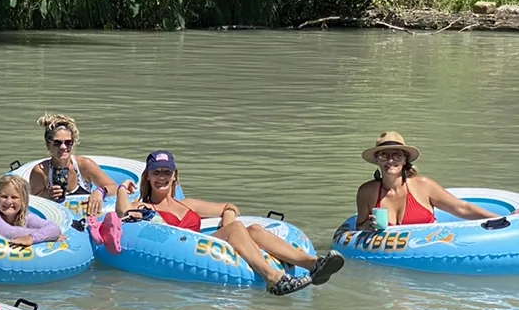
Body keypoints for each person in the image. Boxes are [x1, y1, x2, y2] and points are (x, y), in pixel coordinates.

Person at [112, 150, 345, 296]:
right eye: (156, 173)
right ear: (148, 177)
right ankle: (273, 279)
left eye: (166, 172)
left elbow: (229, 207)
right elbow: (122, 211)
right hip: (185, 247)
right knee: (236, 229)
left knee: (252, 228)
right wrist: (123, 187)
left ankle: (313, 263)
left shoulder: (188, 204)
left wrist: (230, 223)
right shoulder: (145, 207)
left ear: (174, 176)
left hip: (206, 241)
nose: (161, 177)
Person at [355, 131, 496, 229]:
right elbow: (359, 227)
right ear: (377, 160)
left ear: (405, 160)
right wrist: (368, 226)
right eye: (384, 155)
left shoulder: (423, 186)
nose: (390, 160)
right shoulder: (367, 192)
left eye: (397, 155)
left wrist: (501, 219)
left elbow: (461, 208)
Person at [28, 113, 117, 216]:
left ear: (73, 143)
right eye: (57, 143)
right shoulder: (41, 171)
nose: (63, 147)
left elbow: (113, 187)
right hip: (58, 218)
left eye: (68, 142)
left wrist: (100, 192)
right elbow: (33, 204)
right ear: (48, 144)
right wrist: (46, 195)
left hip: (86, 217)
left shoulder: (84, 166)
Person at [0, 175, 65, 247]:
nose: (8, 202)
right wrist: (45, 235)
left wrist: (31, 238)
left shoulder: (27, 217)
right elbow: (8, 232)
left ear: (23, 201)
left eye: (14, 197)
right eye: (4, 196)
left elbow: (54, 228)